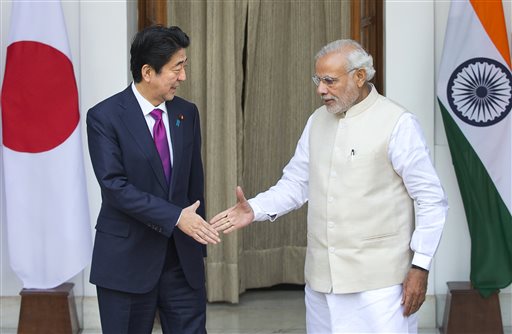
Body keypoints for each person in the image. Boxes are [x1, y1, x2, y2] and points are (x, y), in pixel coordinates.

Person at [211, 39, 448, 333]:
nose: (320, 89)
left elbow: (431, 199)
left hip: (380, 287)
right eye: (318, 79)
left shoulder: (398, 123)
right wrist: (255, 209)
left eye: (329, 81)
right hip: (321, 284)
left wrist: (420, 266)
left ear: (359, 77)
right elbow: (296, 184)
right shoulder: (317, 121)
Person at [87, 25, 220, 334]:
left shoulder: (186, 113)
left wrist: (197, 245)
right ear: (148, 71)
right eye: (177, 68)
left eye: (184, 66)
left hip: (181, 265)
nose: (183, 77)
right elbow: (114, 187)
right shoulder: (105, 117)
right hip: (126, 262)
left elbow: (193, 185)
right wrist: (176, 217)